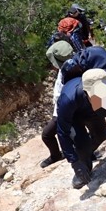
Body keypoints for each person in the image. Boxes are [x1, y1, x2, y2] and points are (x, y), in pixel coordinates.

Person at [40, 40, 75, 168]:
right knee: (50, 134)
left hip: (64, 109)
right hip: (62, 108)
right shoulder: (70, 66)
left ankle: (59, 156)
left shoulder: (67, 71)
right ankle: (57, 155)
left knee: (47, 134)